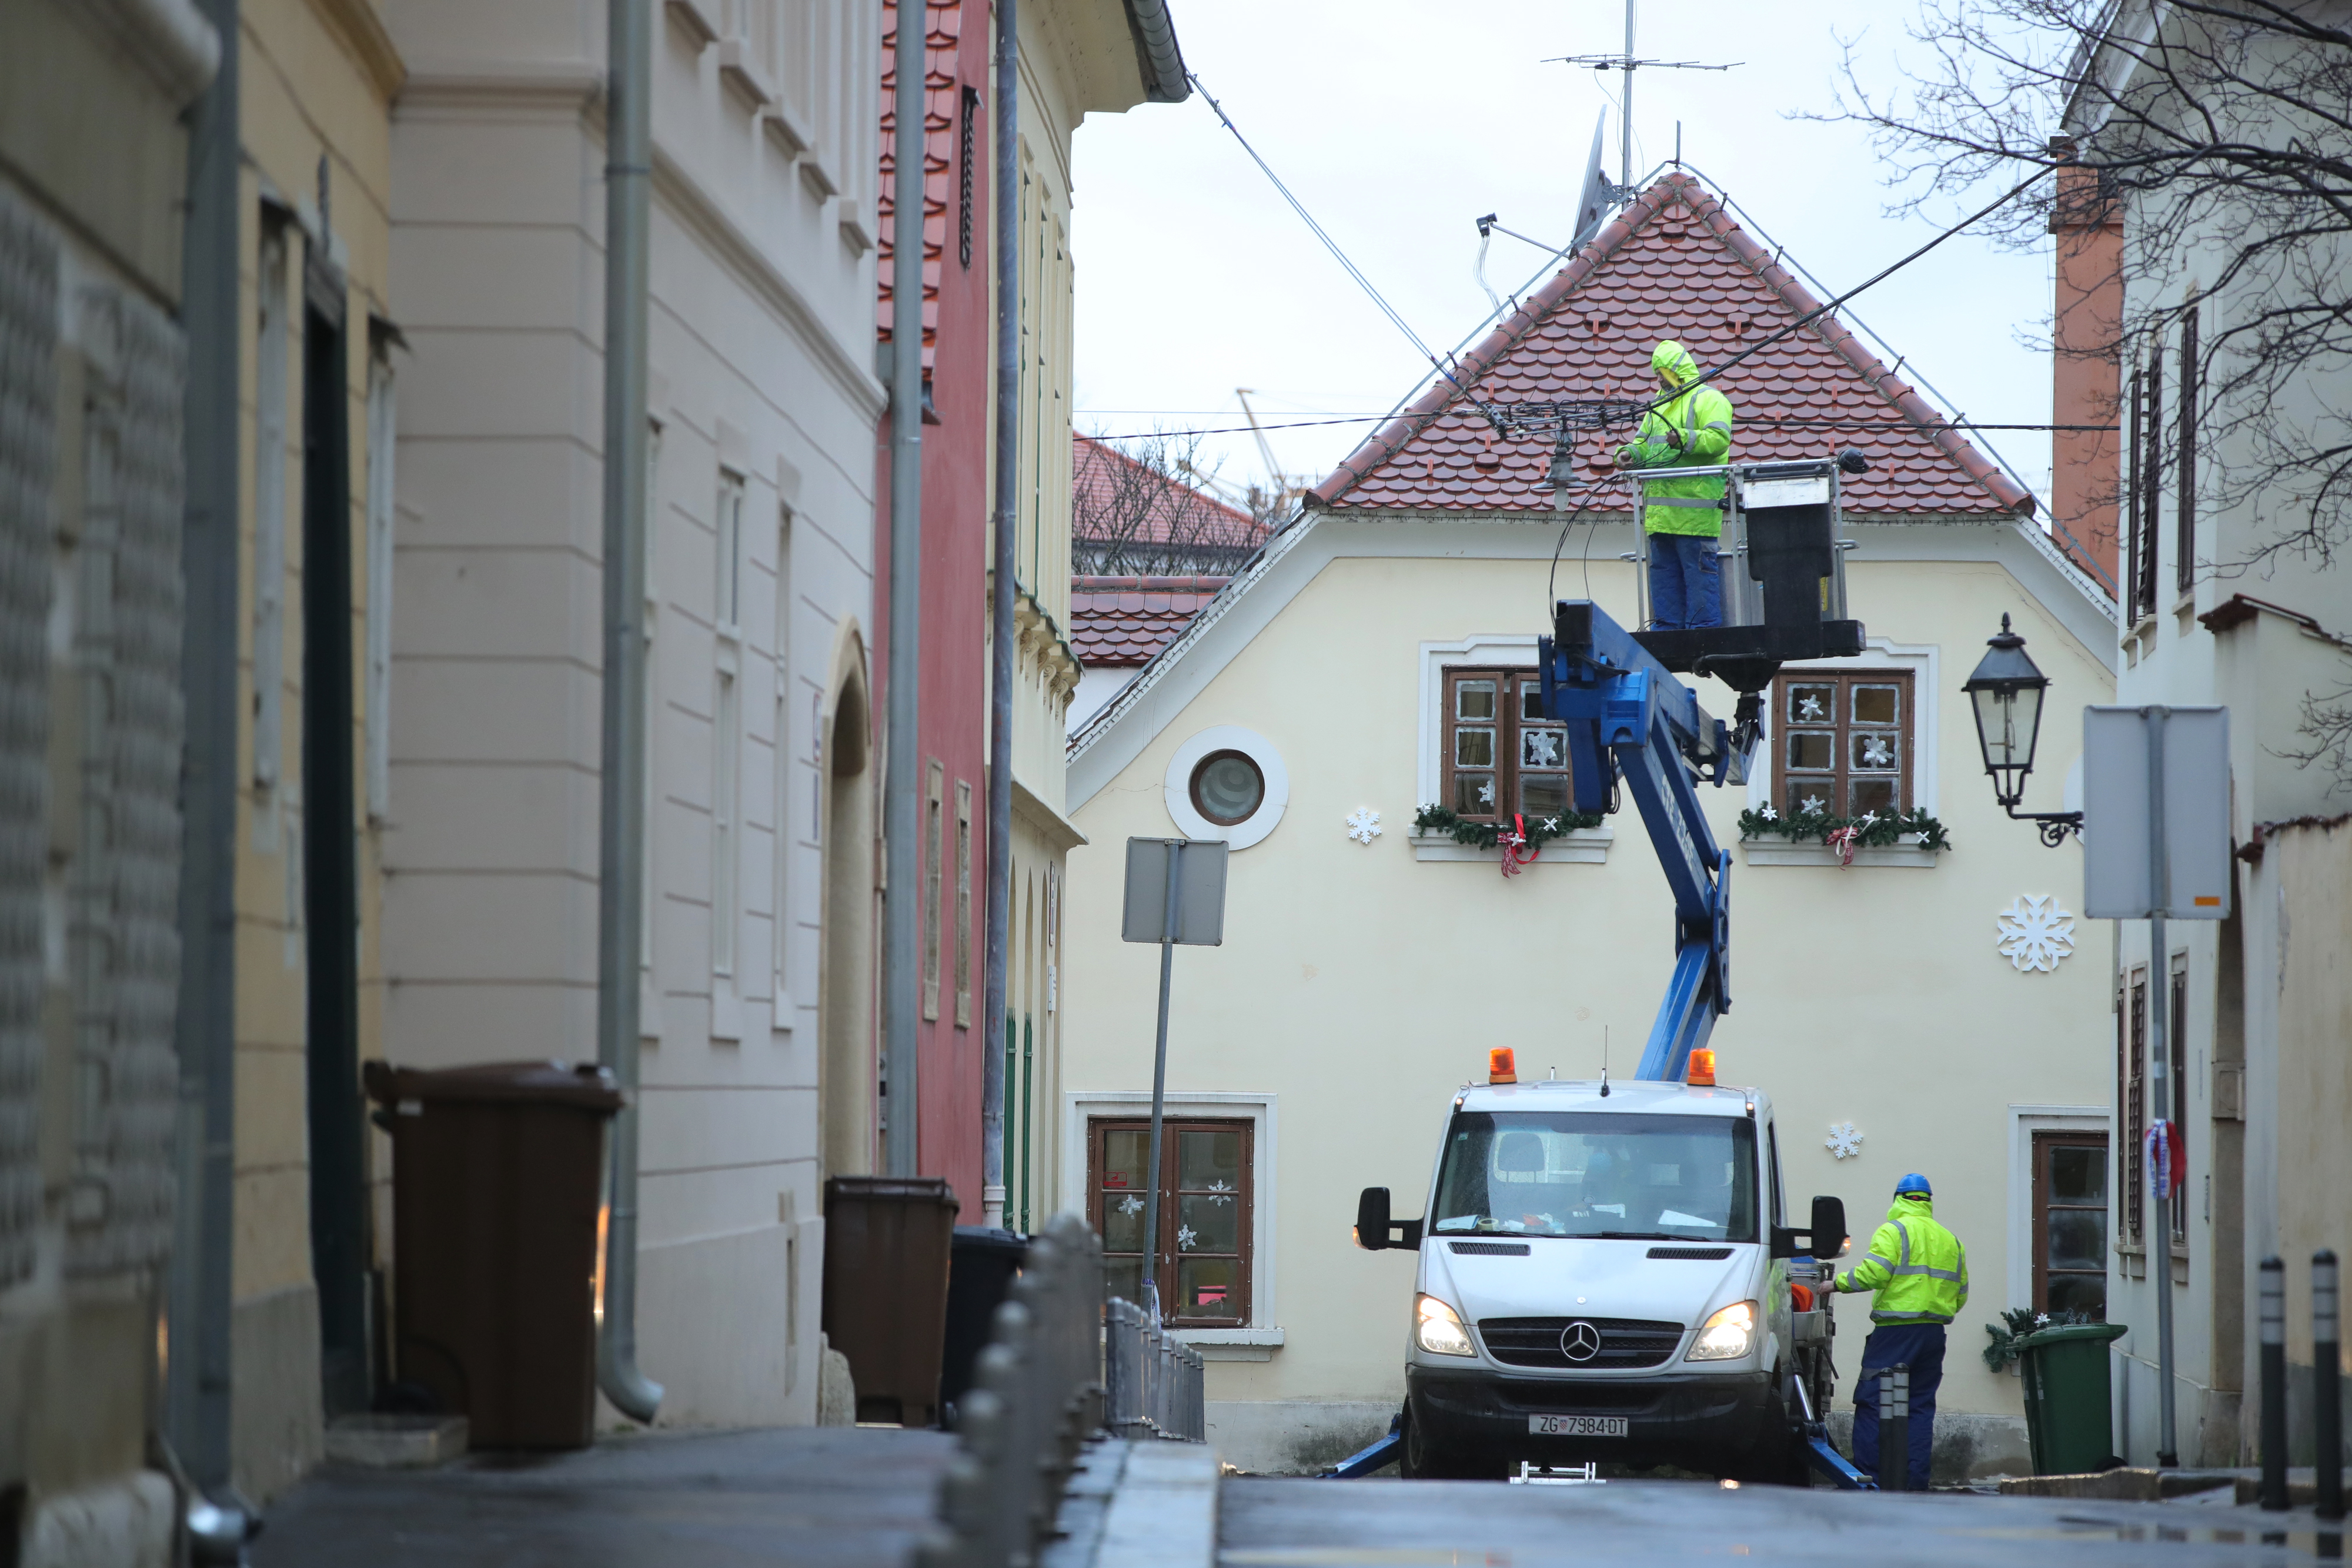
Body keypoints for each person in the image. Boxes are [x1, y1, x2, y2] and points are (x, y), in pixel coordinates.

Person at [1832, 1172, 1968, 1490]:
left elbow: (1875, 1274)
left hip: (1895, 1333)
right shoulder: (1951, 1240)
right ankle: (1914, 1484)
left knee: (1874, 1402)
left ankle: (1872, 1481)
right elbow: (1961, 1294)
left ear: (1898, 1199)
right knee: (1919, 1407)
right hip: (1933, 1334)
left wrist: (1835, 1284)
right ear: (1928, 1201)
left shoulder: (1894, 1230)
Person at [1616, 340, 1733, 630]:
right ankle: (1669, 636)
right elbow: (1644, 443)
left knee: (1699, 583)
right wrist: (1630, 454)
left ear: (1676, 371)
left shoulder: (1709, 399)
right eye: (1657, 374)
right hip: (1661, 517)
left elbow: (1719, 440)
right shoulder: (1659, 404)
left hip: (1695, 516)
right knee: (1665, 582)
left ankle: (1703, 637)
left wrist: (1684, 438)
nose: (1658, 379)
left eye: (1662, 373)